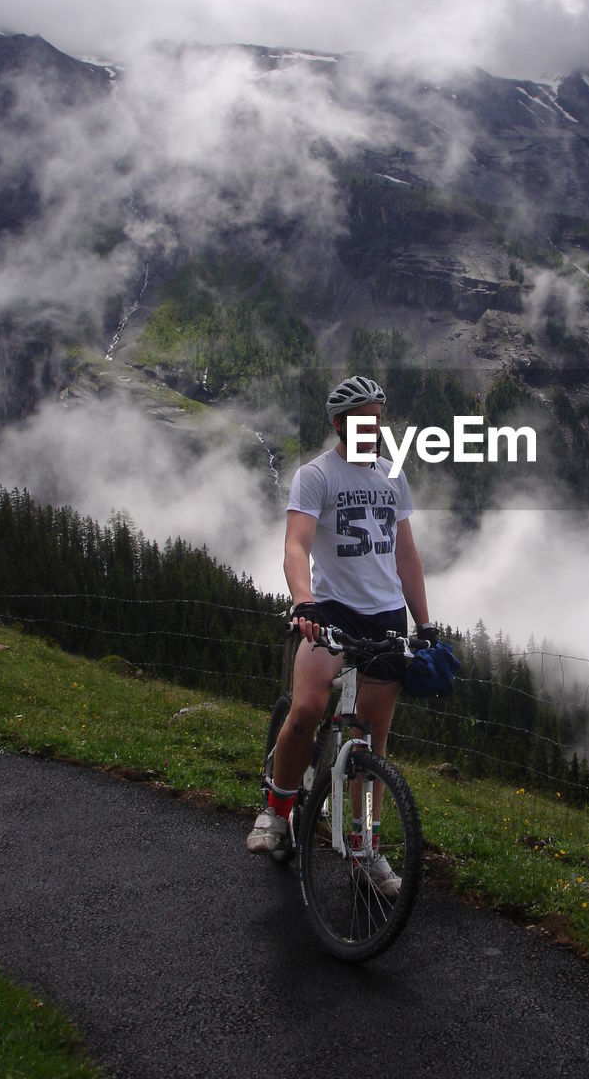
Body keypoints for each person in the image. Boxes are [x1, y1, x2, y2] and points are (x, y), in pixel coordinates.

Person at [247, 374, 437, 897]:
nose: (373, 428)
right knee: (306, 708)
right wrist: (303, 601)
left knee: (372, 741)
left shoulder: (392, 476)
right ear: (338, 424)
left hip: (384, 618)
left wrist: (426, 623)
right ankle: (277, 809)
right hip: (329, 611)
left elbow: (406, 555)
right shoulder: (316, 476)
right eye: (362, 420)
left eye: (378, 418)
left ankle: (363, 849)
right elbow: (296, 545)